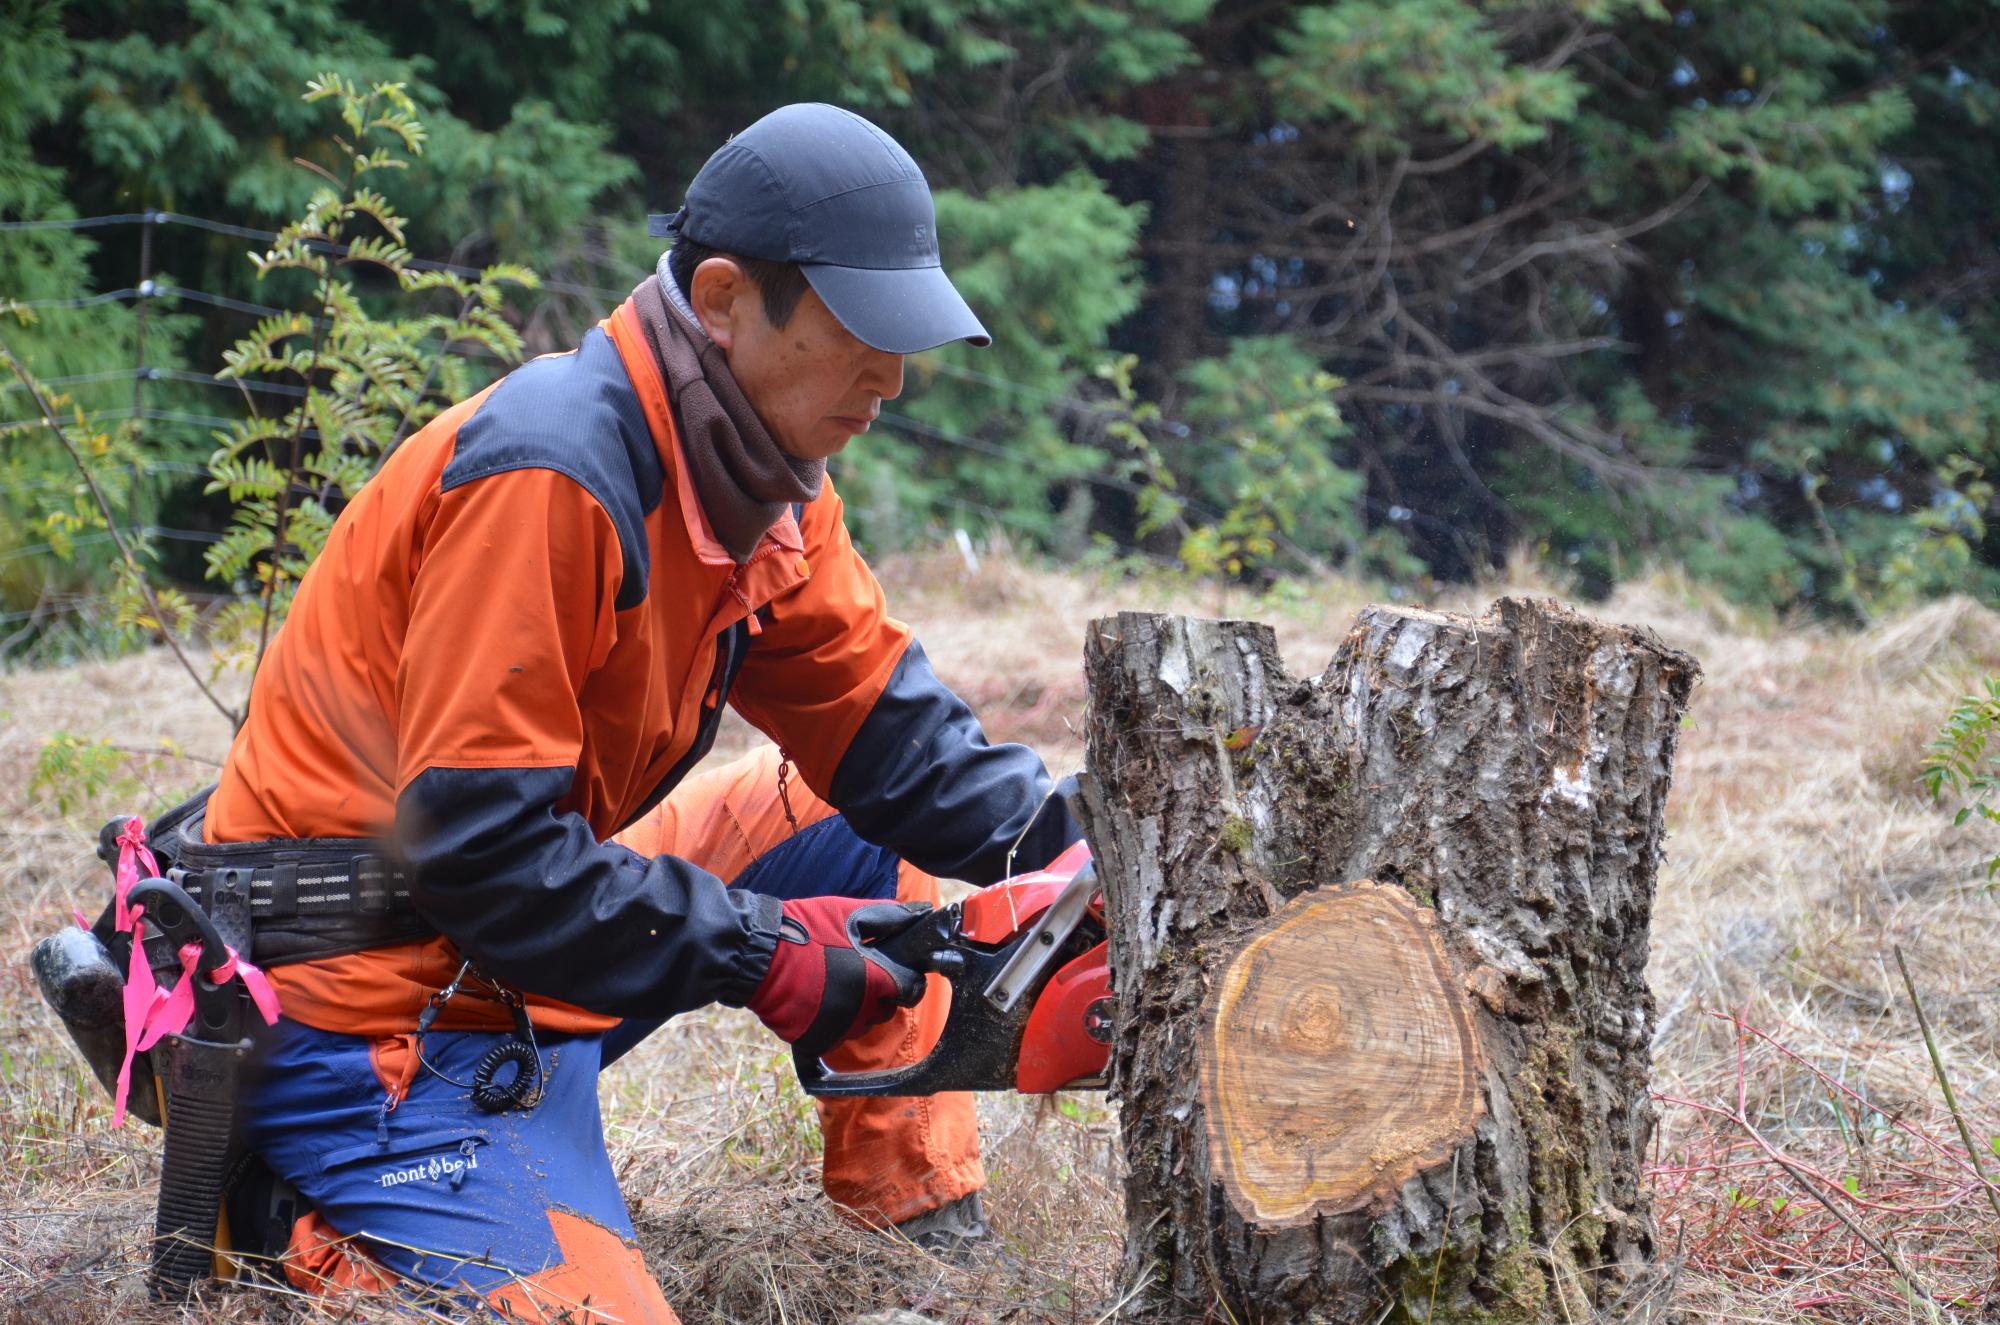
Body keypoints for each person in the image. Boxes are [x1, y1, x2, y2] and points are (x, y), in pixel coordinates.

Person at [188, 103, 1080, 1323]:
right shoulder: (551, 473)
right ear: (722, 298)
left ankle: (922, 1231)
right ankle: (304, 1217)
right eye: (861, 332)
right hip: (369, 1004)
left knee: (851, 809)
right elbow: (489, 862)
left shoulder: (764, 478)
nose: (891, 378)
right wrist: (765, 951)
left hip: (508, 945)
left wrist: (1081, 848)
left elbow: (891, 738)